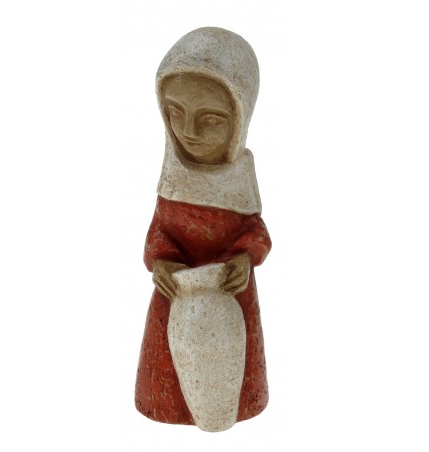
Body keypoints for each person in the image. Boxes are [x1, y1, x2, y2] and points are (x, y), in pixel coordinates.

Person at [135, 27, 272, 425]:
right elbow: (160, 232)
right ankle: (167, 406)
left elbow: (256, 233)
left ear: (240, 117)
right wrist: (162, 264)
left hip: (230, 295)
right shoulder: (173, 176)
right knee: (166, 371)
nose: (188, 132)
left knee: (231, 372)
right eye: (175, 112)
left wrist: (244, 260)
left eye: (210, 119)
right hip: (176, 295)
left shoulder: (239, 179)